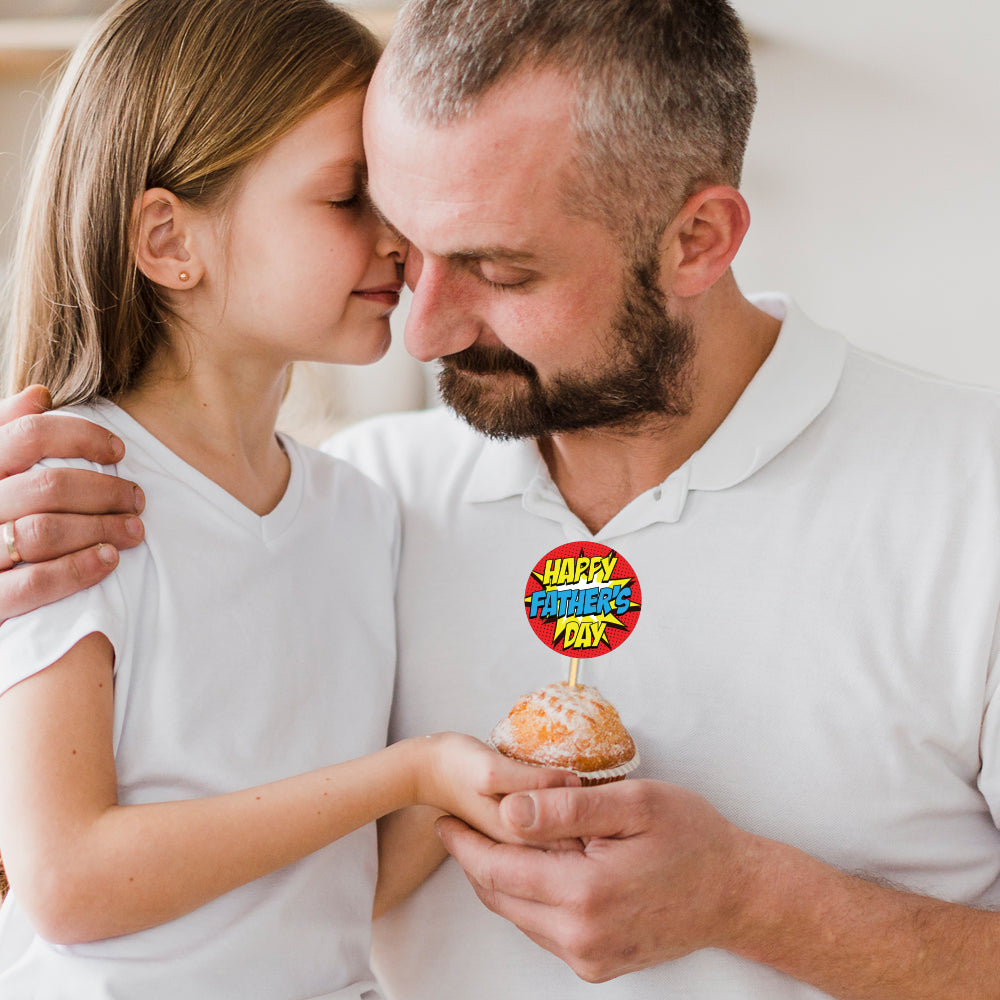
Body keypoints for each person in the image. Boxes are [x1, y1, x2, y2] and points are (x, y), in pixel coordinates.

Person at [3, 0, 1000, 998]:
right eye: (399, 230)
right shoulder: (377, 494)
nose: (422, 327)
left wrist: (751, 902)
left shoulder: (967, 498)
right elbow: (101, 872)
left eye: (495, 266)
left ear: (698, 239)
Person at [0, 1, 574, 997]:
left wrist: (488, 782)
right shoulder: (67, 498)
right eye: (349, 195)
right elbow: (68, 882)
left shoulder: (358, 513)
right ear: (170, 240)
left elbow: (334, 889)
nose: (403, 241)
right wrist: (410, 772)